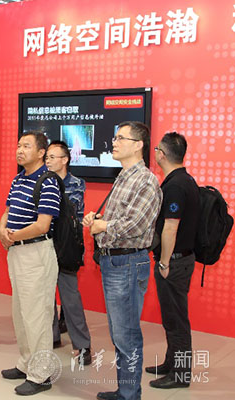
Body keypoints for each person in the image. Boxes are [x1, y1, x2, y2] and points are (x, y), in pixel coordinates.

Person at [83, 121, 162, 400]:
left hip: (128, 263)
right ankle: (125, 390)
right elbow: (121, 218)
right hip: (114, 262)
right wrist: (98, 219)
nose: (114, 143)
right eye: (115, 138)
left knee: (126, 335)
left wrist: (104, 226)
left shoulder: (146, 180)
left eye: (120, 138)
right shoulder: (123, 176)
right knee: (119, 333)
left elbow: (137, 224)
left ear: (138, 145)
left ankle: (129, 395)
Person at [0, 131, 60, 396]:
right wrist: (2, 230)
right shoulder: (18, 179)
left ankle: (41, 374)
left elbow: (43, 224)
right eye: (18, 145)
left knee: (37, 316)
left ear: (41, 153)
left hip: (36, 253)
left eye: (26, 146)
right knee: (21, 313)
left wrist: (13, 236)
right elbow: (8, 211)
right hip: (17, 252)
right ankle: (26, 363)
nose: (20, 150)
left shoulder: (49, 181)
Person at [147, 132, 199, 389]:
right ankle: (171, 363)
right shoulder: (182, 180)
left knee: (177, 321)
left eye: (157, 149)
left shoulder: (176, 185)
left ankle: (180, 375)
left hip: (175, 262)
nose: (155, 152)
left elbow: (170, 227)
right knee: (171, 317)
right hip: (180, 259)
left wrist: (165, 262)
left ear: (163, 155)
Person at [45, 140, 92, 365]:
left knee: (70, 297)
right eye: (46, 157)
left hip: (66, 246)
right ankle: (52, 336)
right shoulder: (42, 181)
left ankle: (82, 345)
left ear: (65, 160)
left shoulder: (76, 184)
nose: (48, 161)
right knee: (45, 295)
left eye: (52, 157)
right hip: (43, 243)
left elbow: (68, 211)